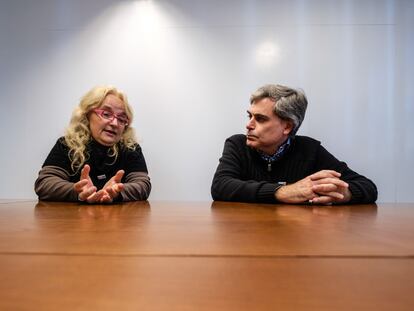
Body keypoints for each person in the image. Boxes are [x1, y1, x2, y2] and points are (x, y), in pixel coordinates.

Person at [211, 84, 377, 204]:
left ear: (287, 126)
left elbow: (368, 187)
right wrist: (282, 192)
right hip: (245, 235)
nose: (249, 125)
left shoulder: (310, 150)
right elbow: (220, 186)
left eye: (260, 119)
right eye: (250, 116)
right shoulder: (237, 144)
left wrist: (344, 193)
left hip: (294, 237)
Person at [35, 86, 151, 203]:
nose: (115, 123)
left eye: (121, 119)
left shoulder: (131, 149)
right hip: (73, 219)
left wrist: (117, 192)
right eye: (106, 114)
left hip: (116, 220)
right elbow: (44, 183)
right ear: (87, 114)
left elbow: (143, 185)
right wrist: (77, 191)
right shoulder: (67, 144)